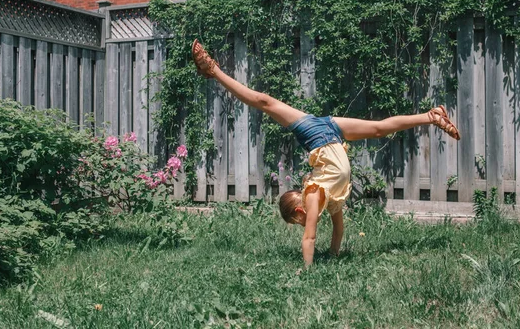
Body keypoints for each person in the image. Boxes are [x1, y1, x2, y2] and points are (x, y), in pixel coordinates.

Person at [191, 40, 460, 266]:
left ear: (299, 212)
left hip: (316, 136)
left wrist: (307, 271)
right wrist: (333, 256)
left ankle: (212, 69)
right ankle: (431, 116)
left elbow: (309, 238)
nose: (304, 224)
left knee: (265, 102)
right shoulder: (331, 198)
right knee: (379, 129)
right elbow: (338, 229)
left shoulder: (314, 194)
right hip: (332, 130)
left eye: (299, 222)